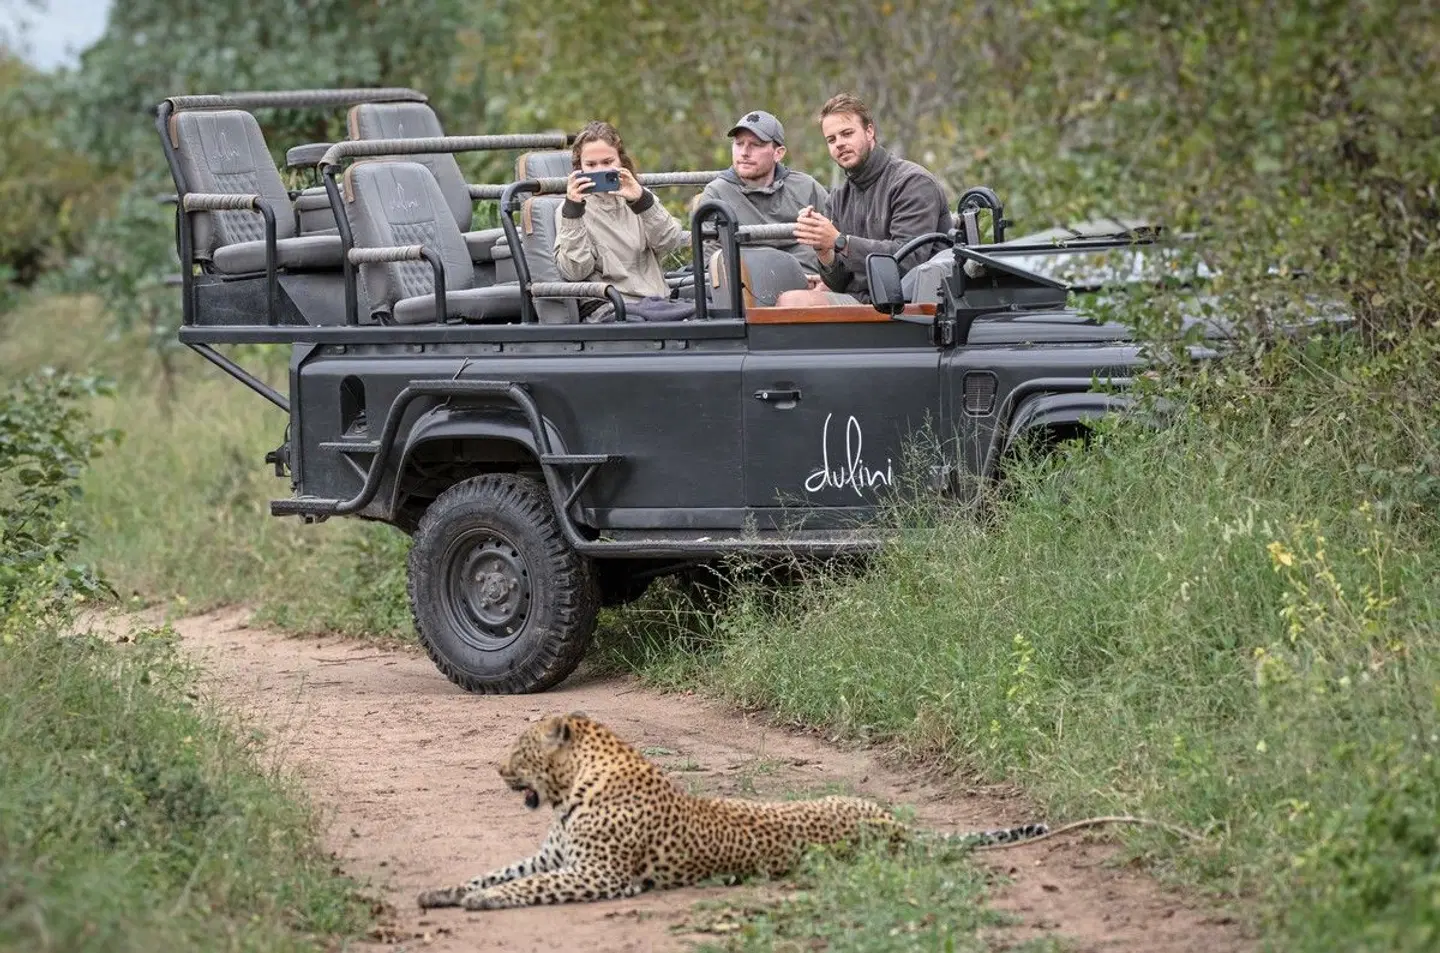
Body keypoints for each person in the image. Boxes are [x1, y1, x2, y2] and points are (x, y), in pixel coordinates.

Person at [778, 93, 952, 307]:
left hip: (908, 306)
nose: (839, 144)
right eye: (831, 140)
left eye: (847, 134)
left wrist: (840, 241)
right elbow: (840, 284)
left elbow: (909, 261)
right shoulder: (839, 197)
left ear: (869, 132)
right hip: (864, 302)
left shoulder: (913, 182)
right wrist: (825, 252)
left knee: (793, 303)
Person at [554, 120, 692, 322]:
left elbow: (669, 241)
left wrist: (643, 201)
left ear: (621, 161)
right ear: (579, 168)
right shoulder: (570, 211)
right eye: (591, 165)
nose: (599, 170)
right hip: (612, 308)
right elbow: (575, 272)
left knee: (709, 313)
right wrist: (573, 212)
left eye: (607, 162)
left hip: (656, 303)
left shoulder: (639, 197)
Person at [698, 109, 829, 275]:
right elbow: (711, 262)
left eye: (755, 145)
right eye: (739, 144)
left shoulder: (806, 187)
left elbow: (836, 243)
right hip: (748, 293)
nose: (744, 152)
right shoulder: (717, 193)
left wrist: (826, 282)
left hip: (813, 288)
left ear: (778, 153)